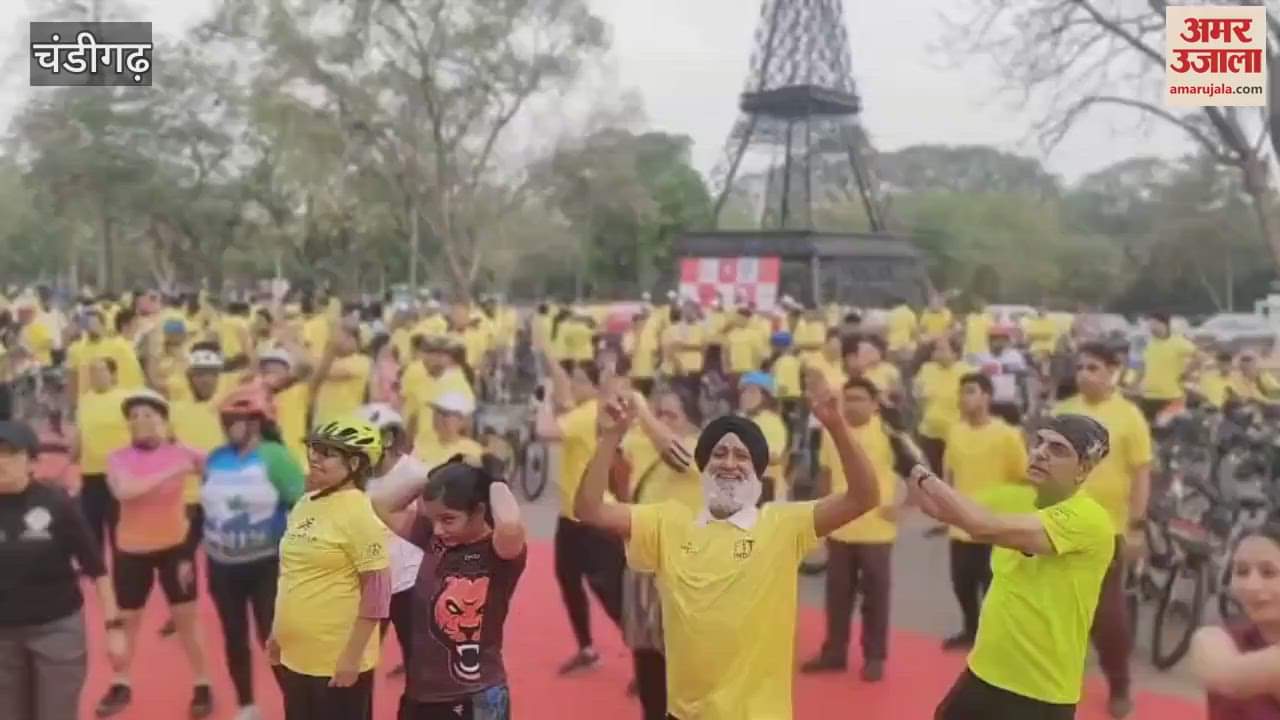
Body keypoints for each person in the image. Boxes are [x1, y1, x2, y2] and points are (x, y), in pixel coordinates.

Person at [573, 368, 881, 719]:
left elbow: (863, 497)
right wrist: (611, 436)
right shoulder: (668, 524)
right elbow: (589, 508)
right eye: (719, 455)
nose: (729, 464)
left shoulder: (781, 525)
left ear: (756, 471)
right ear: (703, 468)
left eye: (741, 456)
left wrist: (837, 427)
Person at [911, 414, 1114, 719]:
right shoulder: (1015, 497)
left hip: (1038, 691)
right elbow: (940, 508)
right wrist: (905, 457)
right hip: (984, 671)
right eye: (1039, 442)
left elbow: (981, 526)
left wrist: (926, 477)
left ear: (1083, 469)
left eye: (1058, 449)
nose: (1041, 452)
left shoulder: (1088, 519)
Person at [369, 454, 527, 720]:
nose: (439, 528)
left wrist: (493, 479)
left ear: (478, 510)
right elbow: (381, 504)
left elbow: (510, 524)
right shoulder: (431, 539)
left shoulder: (498, 553)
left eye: (448, 519)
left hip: (476, 698)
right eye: (432, 519)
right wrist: (437, 471)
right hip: (420, 696)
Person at [95, 388, 213, 718]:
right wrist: (176, 469)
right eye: (134, 417)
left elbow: (215, 465)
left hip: (176, 547)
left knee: (185, 618)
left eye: (148, 415)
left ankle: (202, 684)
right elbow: (125, 491)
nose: (140, 422)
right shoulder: (118, 458)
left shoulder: (180, 451)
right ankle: (121, 682)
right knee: (129, 620)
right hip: (132, 551)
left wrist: (187, 454)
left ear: (163, 420)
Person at [0, 420, 127, 720]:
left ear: (32, 461)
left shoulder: (57, 504)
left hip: (56, 633)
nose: (0, 461)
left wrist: (114, 629)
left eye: (9, 453)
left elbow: (97, 569)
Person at [268, 416, 391, 720]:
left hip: (336, 661)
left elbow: (377, 593)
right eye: (314, 450)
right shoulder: (306, 502)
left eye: (327, 453)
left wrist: (352, 657)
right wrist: (277, 631)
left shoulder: (360, 513)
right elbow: (291, 574)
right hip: (296, 655)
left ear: (354, 465)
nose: (315, 458)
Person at [1053, 342, 1151, 718]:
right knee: (1058, 611)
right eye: (1080, 368)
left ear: (1113, 370)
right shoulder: (1064, 412)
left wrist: (1137, 527)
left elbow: (1142, 473)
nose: (1084, 374)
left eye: (1093, 367)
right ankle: (1056, 681)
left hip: (1106, 531)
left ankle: (1120, 684)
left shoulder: (1129, 416)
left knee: (1106, 616)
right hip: (1061, 527)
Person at [202, 385, 305, 720]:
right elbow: (204, 508)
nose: (228, 425)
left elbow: (303, 506)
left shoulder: (275, 457)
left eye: (235, 419)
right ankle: (246, 705)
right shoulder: (216, 458)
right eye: (225, 419)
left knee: (273, 637)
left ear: (255, 422)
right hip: (221, 566)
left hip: (266, 565)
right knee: (234, 636)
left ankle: (300, 706)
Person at [800, 378, 904, 682]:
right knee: (837, 595)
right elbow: (826, 475)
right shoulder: (834, 431)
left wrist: (901, 502)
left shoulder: (889, 433)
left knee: (875, 597)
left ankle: (874, 656)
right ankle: (834, 652)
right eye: (848, 399)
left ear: (875, 403)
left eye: (860, 399)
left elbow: (912, 469)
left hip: (877, 531)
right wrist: (818, 519)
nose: (853, 404)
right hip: (840, 528)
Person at [617, 388, 704, 720]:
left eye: (671, 414)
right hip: (643, 566)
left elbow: (676, 454)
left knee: (681, 665)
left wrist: (643, 411)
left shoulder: (701, 449)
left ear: (691, 421)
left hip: (682, 574)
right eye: (660, 412)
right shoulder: (643, 444)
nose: (660, 420)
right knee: (647, 659)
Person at [534, 357, 624, 674]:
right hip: (570, 517)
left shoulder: (586, 414)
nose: (572, 386)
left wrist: (544, 399)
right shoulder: (583, 410)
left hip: (594, 518)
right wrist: (547, 353)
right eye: (573, 380)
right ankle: (586, 649)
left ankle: (648, 657)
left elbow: (544, 430)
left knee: (610, 591)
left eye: (579, 381)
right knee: (569, 582)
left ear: (594, 386)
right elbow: (561, 381)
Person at [940, 373, 1028, 651]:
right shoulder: (955, 431)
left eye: (970, 391)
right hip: (961, 522)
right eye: (961, 392)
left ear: (987, 396)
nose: (963, 398)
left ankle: (996, 640)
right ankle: (971, 630)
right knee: (961, 583)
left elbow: (1023, 478)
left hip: (994, 525)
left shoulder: (1007, 435)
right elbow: (949, 472)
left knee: (992, 587)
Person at [360, 403, 428, 678]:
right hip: (367, 582)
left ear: (387, 439)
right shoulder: (355, 477)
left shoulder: (417, 474)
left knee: (418, 664)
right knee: (356, 664)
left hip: (408, 584)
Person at [1191, 522, 1280, 718]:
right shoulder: (1220, 638)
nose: (1251, 586)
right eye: (1241, 571)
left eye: (1269, 572)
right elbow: (1223, 674)